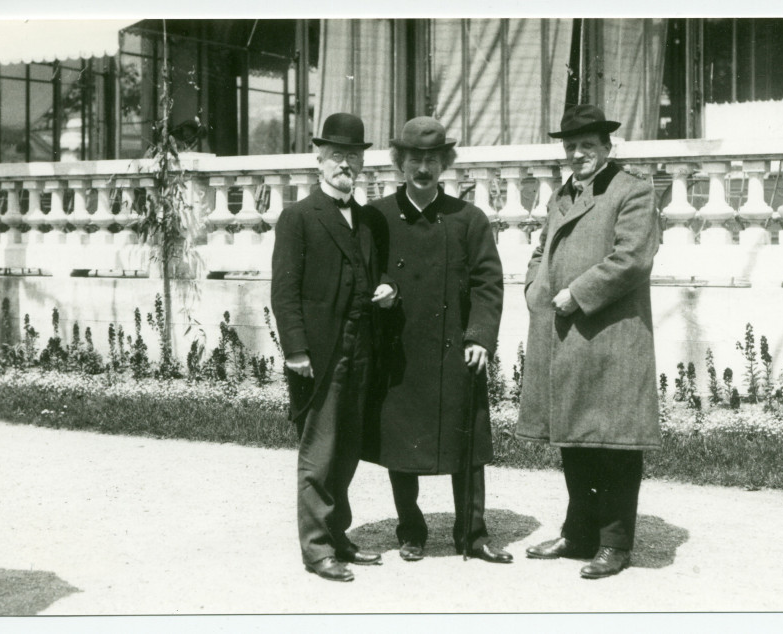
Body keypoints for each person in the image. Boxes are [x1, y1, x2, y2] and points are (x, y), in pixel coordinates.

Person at [517, 104, 661, 579]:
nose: (578, 154)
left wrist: (577, 293)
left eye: (588, 146)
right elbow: (543, 247)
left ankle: (615, 544)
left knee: (615, 443)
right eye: (571, 147)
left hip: (612, 337)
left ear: (606, 147)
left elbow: (633, 259)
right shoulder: (563, 195)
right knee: (574, 439)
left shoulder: (633, 190)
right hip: (565, 333)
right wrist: (534, 285)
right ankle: (578, 533)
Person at [363, 116, 513, 564]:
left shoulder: (468, 219)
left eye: (432, 159)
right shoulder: (378, 217)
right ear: (399, 162)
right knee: (399, 444)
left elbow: (490, 283)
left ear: (445, 163)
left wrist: (481, 338)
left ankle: (474, 535)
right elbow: (366, 271)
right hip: (400, 351)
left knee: (466, 444)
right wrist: (382, 289)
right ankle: (410, 528)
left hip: (455, 351)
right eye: (414, 159)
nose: (423, 168)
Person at [270, 112, 398, 582]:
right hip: (320, 353)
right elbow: (284, 291)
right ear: (318, 159)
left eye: (354, 156)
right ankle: (317, 548)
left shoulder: (367, 219)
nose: (346, 164)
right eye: (338, 155)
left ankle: (339, 536)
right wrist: (297, 349)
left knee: (347, 449)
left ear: (363, 164)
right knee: (319, 451)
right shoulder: (299, 218)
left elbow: (379, 272)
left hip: (362, 347)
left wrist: (388, 289)